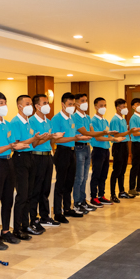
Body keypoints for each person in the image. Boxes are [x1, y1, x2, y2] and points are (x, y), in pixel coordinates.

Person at [0, 92, 29, 247]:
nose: (4, 106)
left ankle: (5, 232)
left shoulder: (6, 124)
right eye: (1, 103)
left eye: (5, 102)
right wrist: (11, 146)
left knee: (8, 199)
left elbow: (12, 143)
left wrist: (17, 145)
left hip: (9, 162)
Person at [10, 95, 47, 238]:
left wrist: (41, 138)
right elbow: (18, 145)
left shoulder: (28, 122)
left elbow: (31, 144)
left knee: (29, 194)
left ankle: (26, 225)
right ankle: (17, 228)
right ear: (19, 106)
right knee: (22, 195)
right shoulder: (15, 122)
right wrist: (34, 138)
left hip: (30, 156)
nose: (30, 106)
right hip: (20, 159)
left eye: (31, 103)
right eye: (27, 103)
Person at [51, 93, 91, 223]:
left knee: (70, 182)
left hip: (72, 151)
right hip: (62, 151)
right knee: (60, 183)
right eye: (70, 104)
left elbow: (75, 135)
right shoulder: (56, 119)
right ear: (63, 104)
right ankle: (58, 212)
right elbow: (57, 139)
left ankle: (67, 208)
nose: (72, 107)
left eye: (73, 104)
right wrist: (75, 138)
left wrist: (81, 138)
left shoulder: (71, 118)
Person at [28, 94, 63, 230]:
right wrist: (47, 137)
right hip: (36, 157)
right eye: (44, 103)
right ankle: (33, 218)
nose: (47, 105)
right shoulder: (31, 122)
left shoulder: (48, 122)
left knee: (46, 188)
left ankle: (45, 216)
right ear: (37, 106)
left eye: (47, 102)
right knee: (35, 189)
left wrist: (54, 137)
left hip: (48, 156)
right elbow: (34, 144)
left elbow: (51, 141)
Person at [72, 93, 112, 212]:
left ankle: (83, 201)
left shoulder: (87, 117)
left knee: (84, 177)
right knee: (79, 177)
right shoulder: (75, 117)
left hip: (86, 147)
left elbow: (91, 132)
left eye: (86, 100)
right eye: (82, 101)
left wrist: (104, 133)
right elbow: (87, 133)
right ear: (76, 103)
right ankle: (77, 202)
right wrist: (106, 133)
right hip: (78, 147)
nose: (85, 103)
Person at [109, 99, 140, 201]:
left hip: (124, 145)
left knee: (122, 170)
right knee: (116, 171)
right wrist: (129, 131)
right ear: (118, 108)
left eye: (126, 107)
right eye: (123, 107)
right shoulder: (115, 120)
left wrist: (129, 132)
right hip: (118, 146)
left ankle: (121, 191)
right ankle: (113, 194)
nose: (126, 109)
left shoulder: (122, 119)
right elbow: (116, 135)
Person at [89, 98, 117, 206]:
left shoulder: (105, 121)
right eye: (101, 105)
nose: (103, 108)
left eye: (105, 105)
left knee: (104, 174)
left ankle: (101, 195)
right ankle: (93, 197)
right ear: (96, 107)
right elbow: (98, 137)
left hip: (106, 150)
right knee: (96, 174)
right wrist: (112, 139)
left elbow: (108, 135)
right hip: (98, 150)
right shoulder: (93, 121)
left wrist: (113, 137)